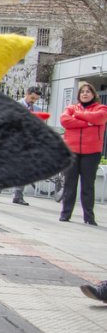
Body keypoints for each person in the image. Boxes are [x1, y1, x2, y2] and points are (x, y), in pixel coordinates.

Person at [59, 81, 107, 225]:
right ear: (79, 95)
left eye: (88, 91)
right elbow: (65, 120)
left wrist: (78, 115)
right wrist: (87, 123)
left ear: (93, 94)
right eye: (82, 92)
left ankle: (89, 217)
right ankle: (65, 214)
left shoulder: (102, 108)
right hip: (72, 152)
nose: (85, 94)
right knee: (69, 184)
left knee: (88, 185)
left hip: (91, 153)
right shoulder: (70, 108)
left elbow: (99, 118)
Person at [0, 86, 44, 205]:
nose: (33, 101)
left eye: (36, 99)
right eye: (32, 98)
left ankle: (18, 196)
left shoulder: (37, 109)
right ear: (27, 94)